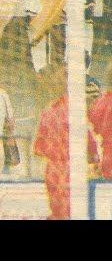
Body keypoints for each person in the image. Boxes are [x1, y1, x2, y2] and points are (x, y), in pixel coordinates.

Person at [34, 66, 98, 220]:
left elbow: (39, 149)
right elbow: (91, 148)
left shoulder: (48, 112)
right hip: (73, 172)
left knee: (58, 214)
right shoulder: (76, 111)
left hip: (53, 172)